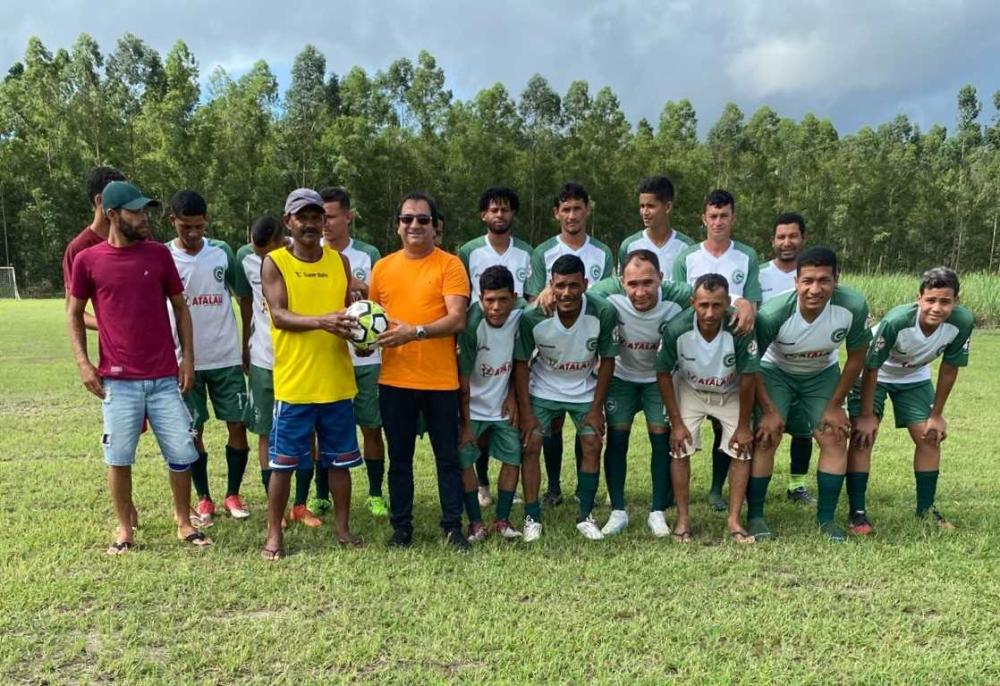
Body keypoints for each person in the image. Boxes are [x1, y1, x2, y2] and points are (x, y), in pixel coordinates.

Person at [67, 180, 211, 554]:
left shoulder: (158, 255)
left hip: (164, 377)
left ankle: (184, 523)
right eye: (135, 212)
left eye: (145, 210)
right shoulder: (88, 260)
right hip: (118, 382)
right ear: (112, 214)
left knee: (181, 452)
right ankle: (124, 530)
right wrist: (84, 363)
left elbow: (180, 307)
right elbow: (73, 313)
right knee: (118, 456)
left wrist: (188, 359)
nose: (144, 218)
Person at [259, 188, 363, 560]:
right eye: (301, 217)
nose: (310, 224)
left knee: (340, 463)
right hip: (296, 384)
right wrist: (323, 321)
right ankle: (274, 534)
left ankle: (343, 530)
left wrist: (362, 336)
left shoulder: (340, 262)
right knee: (283, 465)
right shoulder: (275, 262)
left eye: (316, 217)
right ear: (288, 221)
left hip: (336, 381)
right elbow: (279, 315)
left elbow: (348, 314)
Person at [369, 192, 470, 551]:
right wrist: (365, 342)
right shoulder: (382, 268)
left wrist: (416, 332)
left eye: (423, 219)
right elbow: (373, 322)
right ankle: (401, 528)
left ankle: (452, 527)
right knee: (399, 460)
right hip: (394, 380)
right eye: (407, 218)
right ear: (397, 225)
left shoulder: (450, 265)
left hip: (440, 381)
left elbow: (457, 319)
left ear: (435, 226)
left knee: (448, 458)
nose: (414, 225)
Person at [750, 247, 871, 542]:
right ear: (796, 282)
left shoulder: (853, 306)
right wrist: (769, 411)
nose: (815, 289)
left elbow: (857, 357)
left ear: (836, 280)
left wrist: (834, 405)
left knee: (834, 435)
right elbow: (750, 364)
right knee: (767, 436)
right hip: (776, 371)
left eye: (824, 280)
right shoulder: (773, 313)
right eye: (807, 281)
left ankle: (826, 519)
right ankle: (755, 516)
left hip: (821, 373)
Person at [846, 267, 974, 534]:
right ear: (919, 298)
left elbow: (950, 368)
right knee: (864, 436)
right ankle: (857, 513)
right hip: (874, 373)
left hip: (913, 375)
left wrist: (936, 415)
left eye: (945, 301)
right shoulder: (897, 321)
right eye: (930, 300)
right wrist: (867, 416)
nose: (936, 307)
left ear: (956, 301)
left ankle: (926, 511)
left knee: (930, 436)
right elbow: (871, 366)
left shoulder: (962, 322)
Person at [515, 254, 619, 541]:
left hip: (584, 389)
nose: (566, 293)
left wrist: (597, 408)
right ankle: (532, 516)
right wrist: (525, 411)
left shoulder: (603, 311)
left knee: (592, 443)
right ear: (551, 285)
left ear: (585, 284)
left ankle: (585, 516)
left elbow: (608, 361)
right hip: (543, 388)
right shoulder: (533, 316)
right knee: (531, 445)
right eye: (560, 286)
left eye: (573, 285)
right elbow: (521, 363)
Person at [524, 182, 615, 507]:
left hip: (584, 344)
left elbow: (604, 297)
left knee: (585, 425)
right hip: (551, 348)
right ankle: (552, 487)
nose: (572, 215)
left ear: (587, 210)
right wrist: (545, 297)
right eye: (566, 209)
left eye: (578, 208)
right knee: (552, 423)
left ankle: (582, 490)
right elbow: (535, 301)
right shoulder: (542, 252)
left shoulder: (602, 252)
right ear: (557, 213)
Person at [673, 189, 760, 511]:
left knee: (727, 424)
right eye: (713, 216)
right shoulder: (687, 257)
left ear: (733, 218)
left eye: (724, 216)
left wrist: (744, 304)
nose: (718, 222)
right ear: (703, 219)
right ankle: (674, 494)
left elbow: (752, 306)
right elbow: (683, 302)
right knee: (683, 427)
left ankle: (716, 489)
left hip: (731, 348)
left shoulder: (746, 256)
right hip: (695, 351)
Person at [166, 190, 251, 523]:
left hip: (226, 357)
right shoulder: (164, 256)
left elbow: (243, 296)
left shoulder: (221, 252)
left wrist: (246, 344)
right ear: (172, 221)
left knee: (238, 425)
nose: (192, 233)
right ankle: (204, 498)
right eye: (185, 227)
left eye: (199, 227)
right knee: (193, 431)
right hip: (185, 362)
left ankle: (233, 493)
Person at [656, 274, 759, 543]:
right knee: (680, 447)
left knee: (742, 449)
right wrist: (676, 424)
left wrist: (744, 426)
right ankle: (683, 519)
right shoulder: (677, 328)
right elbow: (663, 373)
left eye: (717, 305)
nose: (710, 313)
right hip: (691, 390)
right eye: (703, 305)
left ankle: (734, 520)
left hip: (731, 390)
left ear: (728, 303)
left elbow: (749, 377)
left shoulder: (739, 327)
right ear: (693, 303)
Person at [234, 217, 319, 526]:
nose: (261, 259)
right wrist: (245, 345)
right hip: (263, 359)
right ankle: (276, 508)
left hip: (301, 359)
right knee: (266, 433)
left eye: (265, 252)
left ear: (281, 240)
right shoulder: (244, 258)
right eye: (257, 252)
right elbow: (245, 304)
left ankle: (301, 504)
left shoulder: (307, 254)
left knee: (306, 432)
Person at [458, 186, 533, 506]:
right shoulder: (468, 251)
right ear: (483, 215)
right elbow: (462, 298)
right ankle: (481, 483)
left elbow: (531, 302)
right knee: (477, 423)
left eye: (505, 209)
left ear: (513, 213)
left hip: (511, 338)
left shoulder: (527, 252)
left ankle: (508, 489)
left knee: (504, 420)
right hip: (476, 339)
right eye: (493, 209)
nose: (499, 214)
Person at [316, 186, 388, 518]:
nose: (324, 224)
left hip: (366, 358)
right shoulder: (312, 254)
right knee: (324, 429)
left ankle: (375, 493)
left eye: (331, 216)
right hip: (328, 356)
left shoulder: (368, 254)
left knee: (371, 427)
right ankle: (321, 494)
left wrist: (364, 290)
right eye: (320, 217)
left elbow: (383, 302)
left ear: (349, 216)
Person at [457, 266, 526, 542]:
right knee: (465, 460)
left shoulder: (521, 315)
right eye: (490, 300)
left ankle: (502, 520)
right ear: (480, 298)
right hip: (471, 407)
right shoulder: (471, 324)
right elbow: (462, 382)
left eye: (503, 300)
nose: (496, 307)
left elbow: (519, 362)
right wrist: (464, 424)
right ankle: (476, 523)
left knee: (513, 458)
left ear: (514, 297)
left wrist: (512, 395)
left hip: (502, 406)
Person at [759, 212, 815, 505]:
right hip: (771, 363)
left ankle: (797, 485)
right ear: (772, 241)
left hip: (809, 365)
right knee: (767, 429)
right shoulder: (759, 274)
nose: (787, 242)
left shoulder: (815, 274)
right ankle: (755, 489)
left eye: (793, 236)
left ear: (803, 238)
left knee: (804, 430)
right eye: (781, 237)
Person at [63, 166, 127, 330]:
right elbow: (74, 311)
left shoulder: (137, 234)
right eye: (120, 198)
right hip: (114, 344)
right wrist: (115, 326)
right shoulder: (78, 249)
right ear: (99, 200)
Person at [618, 175, 694, 280]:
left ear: (668, 207)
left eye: (650, 206)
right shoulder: (629, 246)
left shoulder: (686, 247)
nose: (645, 212)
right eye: (642, 206)